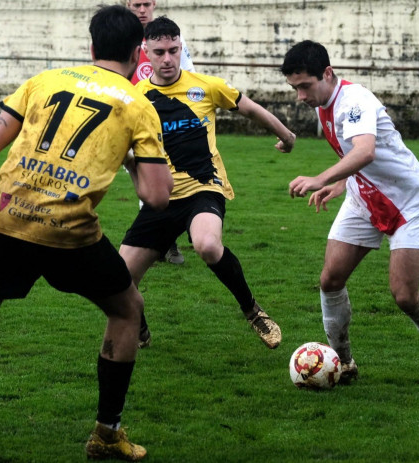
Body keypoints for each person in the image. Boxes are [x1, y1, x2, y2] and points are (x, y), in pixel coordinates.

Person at [0, 5, 172, 461]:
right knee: (128, 308)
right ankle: (106, 432)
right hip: (68, 233)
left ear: (90, 46)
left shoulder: (45, 80)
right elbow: (156, 197)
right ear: (137, 54)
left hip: (6, 217)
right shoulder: (138, 105)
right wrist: (131, 157)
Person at [280, 40, 419, 387]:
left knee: (404, 296)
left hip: (407, 200)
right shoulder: (322, 104)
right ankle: (341, 362)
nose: (300, 95)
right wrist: (341, 183)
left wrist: (320, 178)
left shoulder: (354, 101)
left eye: (304, 86)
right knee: (330, 279)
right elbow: (358, 157)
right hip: (364, 197)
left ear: (327, 74)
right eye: (294, 87)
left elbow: (366, 151)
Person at [120, 17, 296, 350]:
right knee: (122, 278)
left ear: (181, 46)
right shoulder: (135, 97)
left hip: (204, 188)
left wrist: (286, 136)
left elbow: (251, 109)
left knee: (207, 245)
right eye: (159, 52)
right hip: (161, 198)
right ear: (146, 52)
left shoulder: (206, 85)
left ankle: (253, 311)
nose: (168, 59)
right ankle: (138, 326)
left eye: (174, 50)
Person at [127, 0, 195, 264]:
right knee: (146, 184)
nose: (142, 9)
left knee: (173, 178)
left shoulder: (173, 39)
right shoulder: (124, 36)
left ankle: (169, 237)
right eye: (136, 4)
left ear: (153, 4)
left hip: (170, 121)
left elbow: (190, 76)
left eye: (146, 3)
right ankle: (161, 241)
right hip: (135, 121)